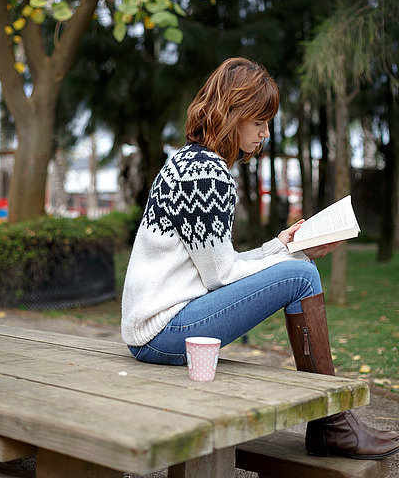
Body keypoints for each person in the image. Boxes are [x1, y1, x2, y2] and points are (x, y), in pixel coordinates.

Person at [121, 57, 398, 460]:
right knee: (301, 277)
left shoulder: (191, 162)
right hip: (163, 331)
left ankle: (334, 425)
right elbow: (220, 278)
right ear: (231, 114)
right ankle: (333, 426)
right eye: (259, 122)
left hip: (158, 325)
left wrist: (280, 248)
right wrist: (290, 257)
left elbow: (218, 265)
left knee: (297, 269)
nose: (265, 134)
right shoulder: (206, 175)